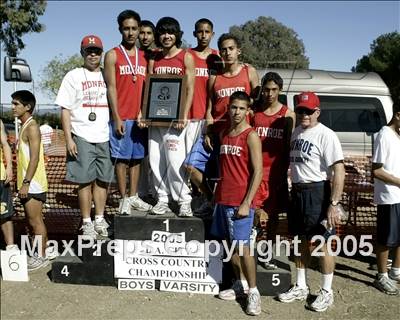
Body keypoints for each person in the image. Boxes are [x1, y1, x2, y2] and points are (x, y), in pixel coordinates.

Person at [277, 91, 345, 312]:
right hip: (297, 191)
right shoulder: (296, 133)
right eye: (300, 110)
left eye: (308, 111)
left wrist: (334, 204)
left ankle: (327, 292)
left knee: (323, 243)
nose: (304, 114)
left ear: (317, 112)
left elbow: (339, 170)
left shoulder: (327, 135)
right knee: (299, 241)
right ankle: (301, 285)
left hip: (318, 191)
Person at [56, 35, 113, 239]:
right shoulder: (73, 75)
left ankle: (99, 218)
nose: (92, 54)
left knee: (103, 180)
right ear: (82, 53)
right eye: (89, 51)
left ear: (101, 53)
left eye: (96, 51)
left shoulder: (107, 75)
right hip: (81, 134)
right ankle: (86, 222)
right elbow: (65, 109)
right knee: (84, 181)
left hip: (104, 135)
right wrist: (68, 138)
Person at [211, 91, 263, 316]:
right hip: (222, 200)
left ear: (248, 111)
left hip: (240, 203)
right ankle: (240, 285)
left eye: (242, 108)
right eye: (234, 107)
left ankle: (254, 292)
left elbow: (258, 171)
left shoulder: (251, 135)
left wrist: (247, 203)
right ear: (228, 108)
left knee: (244, 249)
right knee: (230, 247)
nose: (237, 112)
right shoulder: (223, 133)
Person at [145, 16, 196, 217]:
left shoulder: (186, 57)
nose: (167, 36)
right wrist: (144, 113)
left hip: (176, 120)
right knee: (156, 160)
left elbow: (190, 88)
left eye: (171, 32)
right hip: (155, 118)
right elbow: (148, 88)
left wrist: (183, 115)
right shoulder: (154, 58)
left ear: (177, 35)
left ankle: (184, 200)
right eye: (163, 32)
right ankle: (162, 199)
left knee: (175, 161)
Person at [104, 10, 152, 215]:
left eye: (134, 28)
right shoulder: (112, 54)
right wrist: (116, 117)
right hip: (121, 117)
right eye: (127, 29)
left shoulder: (145, 56)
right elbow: (111, 88)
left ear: (139, 29)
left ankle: (134, 196)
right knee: (121, 159)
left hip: (139, 117)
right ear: (120, 30)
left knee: (137, 158)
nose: (131, 33)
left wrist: (144, 112)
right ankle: (123, 198)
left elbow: (149, 87)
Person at [251, 72, 295, 266]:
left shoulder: (287, 114)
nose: (269, 94)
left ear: (280, 90)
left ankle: (267, 252)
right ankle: (250, 249)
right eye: (266, 89)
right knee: (253, 212)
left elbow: (289, 146)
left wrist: (288, 172)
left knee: (274, 216)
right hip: (255, 172)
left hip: (276, 175)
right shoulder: (254, 113)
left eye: (274, 90)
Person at [183, 18, 221, 215]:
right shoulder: (187, 55)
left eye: (207, 31)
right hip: (188, 119)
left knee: (209, 166)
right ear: (194, 33)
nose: (204, 35)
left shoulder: (218, 57)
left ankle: (211, 201)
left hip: (211, 121)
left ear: (212, 34)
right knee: (186, 165)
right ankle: (197, 200)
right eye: (200, 31)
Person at [12, 90, 50, 271]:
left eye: (16, 104)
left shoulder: (32, 127)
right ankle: (43, 252)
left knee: (36, 221)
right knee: (32, 220)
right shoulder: (24, 126)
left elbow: (35, 158)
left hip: (34, 183)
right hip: (26, 182)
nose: (13, 107)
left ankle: (41, 256)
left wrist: (26, 183)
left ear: (27, 107)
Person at [371, 96, 400, 295]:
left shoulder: (397, 136)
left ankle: (396, 271)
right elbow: (377, 170)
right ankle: (381, 276)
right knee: (385, 238)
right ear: (398, 115)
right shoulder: (384, 134)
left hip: (398, 195)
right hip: (389, 196)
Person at [0, 119, 18, 251]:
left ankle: (11, 248)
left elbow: (5, 144)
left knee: (5, 214)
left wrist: (10, 167)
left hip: (0, 177)